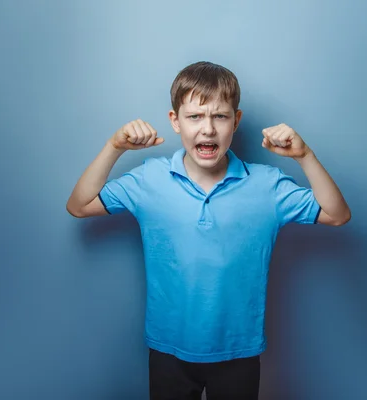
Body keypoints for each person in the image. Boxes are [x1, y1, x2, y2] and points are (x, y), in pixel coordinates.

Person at [66, 61, 351, 400]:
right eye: (195, 117)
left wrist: (305, 156)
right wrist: (114, 146)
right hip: (168, 348)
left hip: (238, 350)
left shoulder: (267, 185)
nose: (208, 129)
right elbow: (79, 205)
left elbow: (336, 214)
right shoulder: (149, 179)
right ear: (175, 121)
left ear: (236, 121)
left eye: (220, 116)